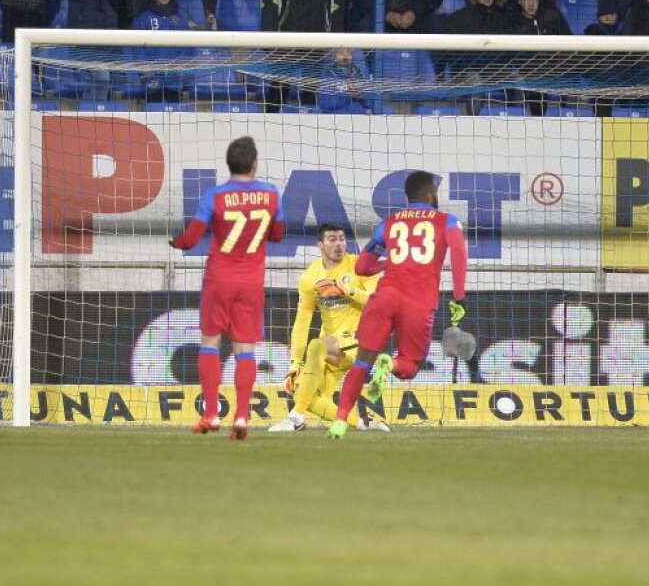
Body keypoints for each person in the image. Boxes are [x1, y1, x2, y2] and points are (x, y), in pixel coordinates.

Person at [329, 170, 473, 439]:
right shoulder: (448, 221)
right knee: (410, 366)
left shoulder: (390, 222)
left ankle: (339, 422)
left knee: (361, 362)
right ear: (431, 194)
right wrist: (459, 296)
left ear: (409, 196)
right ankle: (390, 365)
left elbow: (362, 266)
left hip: (385, 296)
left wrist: (390, 262)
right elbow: (458, 251)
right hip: (418, 302)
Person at [170, 136, 286, 440]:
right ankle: (242, 416)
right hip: (251, 281)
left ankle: (211, 412)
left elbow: (192, 238)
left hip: (219, 277)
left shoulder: (215, 195)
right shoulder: (271, 194)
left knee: (210, 343)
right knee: (245, 348)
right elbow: (278, 234)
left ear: (229, 163)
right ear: (254, 163)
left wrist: (177, 242)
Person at [270, 222, 389, 433]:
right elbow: (302, 319)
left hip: (358, 342)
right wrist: (295, 363)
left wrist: (349, 291)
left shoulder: (361, 266)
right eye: (332, 239)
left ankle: (295, 417)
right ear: (320, 245)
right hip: (330, 349)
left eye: (342, 238)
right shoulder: (310, 276)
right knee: (305, 395)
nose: (338, 244)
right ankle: (361, 423)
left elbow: (377, 302)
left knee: (317, 345)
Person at [130, 0, 204, 101]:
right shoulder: (143, 18)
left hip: (174, 77)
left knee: (174, 112)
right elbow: (137, 48)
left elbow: (189, 45)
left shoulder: (181, 17)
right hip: (152, 78)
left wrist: (182, 67)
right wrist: (146, 71)